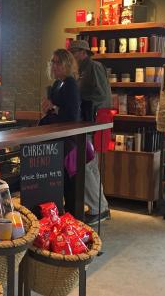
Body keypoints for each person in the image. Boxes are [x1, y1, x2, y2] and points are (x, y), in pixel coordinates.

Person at [68, 39, 111, 225]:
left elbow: (102, 95)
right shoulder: (82, 70)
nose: (72, 56)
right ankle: (100, 207)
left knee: (86, 164)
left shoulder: (94, 67)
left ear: (83, 53)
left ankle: (97, 208)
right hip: (91, 119)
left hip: (96, 119)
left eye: (74, 52)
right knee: (90, 164)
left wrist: (79, 100)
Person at [40, 48, 81, 214]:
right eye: (53, 62)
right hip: (54, 135)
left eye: (58, 62)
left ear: (67, 64)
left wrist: (53, 107)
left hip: (66, 139)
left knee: (67, 180)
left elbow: (71, 114)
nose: (54, 66)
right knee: (56, 178)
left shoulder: (70, 83)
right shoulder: (57, 84)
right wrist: (48, 108)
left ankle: (71, 216)